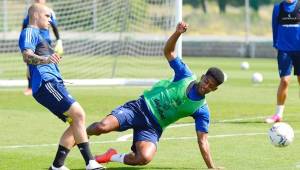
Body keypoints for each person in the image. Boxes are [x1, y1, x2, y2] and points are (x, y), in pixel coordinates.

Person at [86, 21, 225, 169]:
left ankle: (110, 156)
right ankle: (79, 134)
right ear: (202, 76)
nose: (206, 86)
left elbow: (202, 140)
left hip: (153, 127)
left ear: (214, 90)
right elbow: (169, 52)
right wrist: (178, 33)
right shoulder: (185, 75)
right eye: (206, 81)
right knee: (102, 127)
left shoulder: (202, 110)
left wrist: (212, 168)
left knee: (144, 157)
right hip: (139, 108)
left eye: (211, 86)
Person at [18, 3, 103, 170]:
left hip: (53, 83)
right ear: (36, 16)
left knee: (76, 122)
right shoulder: (29, 31)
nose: (50, 20)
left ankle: (57, 166)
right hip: (46, 84)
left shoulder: (42, 35)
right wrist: (45, 60)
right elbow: (26, 56)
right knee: (78, 113)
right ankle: (90, 162)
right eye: (47, 16)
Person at [265, 0, 300, 123]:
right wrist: (276, 45)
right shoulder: (278, 8)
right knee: (285, 81)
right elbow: (275, 27)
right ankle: (278, 115)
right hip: (284, 50)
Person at [22, 0, 63, 96]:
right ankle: (30, 87)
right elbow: (24, 25)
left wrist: (59, 40)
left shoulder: (49, 11)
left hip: (45, 42)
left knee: (49, 62)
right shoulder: (31, 11)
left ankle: (54, 83)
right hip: (33, 41)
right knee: (31, 63)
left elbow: (54, 26)